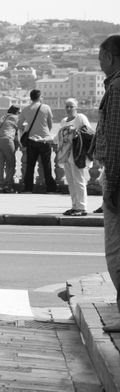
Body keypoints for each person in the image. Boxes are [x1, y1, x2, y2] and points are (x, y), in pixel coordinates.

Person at [91, 35, 120, 332]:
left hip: (117, 178)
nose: (99, 63)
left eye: (100, 58)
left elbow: (113, 142)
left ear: (110, 57)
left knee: (115, 252)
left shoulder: (116, 88)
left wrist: (110, 186)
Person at [54, 98, 92, 216]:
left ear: (76, 107)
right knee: (70, 181)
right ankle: (75, 206)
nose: (69, 109)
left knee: (79, 180)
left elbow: (89, 133)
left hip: (77, 154)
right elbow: (58, 137)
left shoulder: (81, 118)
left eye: (71, 106)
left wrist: (76, 133)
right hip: (66, 155)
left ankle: (82, 207)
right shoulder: (64, 121)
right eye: (67, 106)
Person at [18, 89, 56, 193]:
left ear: (30, 98)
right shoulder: (46, 107)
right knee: (47, 166)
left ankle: (28, 188)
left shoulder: (25, 109)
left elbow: (19, 125)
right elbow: (50, 124)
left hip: (31, 140)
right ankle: (50, 189)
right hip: (44, 140)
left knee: (30, 166)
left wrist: (27, 127)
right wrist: (44, 132)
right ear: (40, 97)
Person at [0, 105, 20, 193]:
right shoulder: (15, 118)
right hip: (7, 141)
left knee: (0, 165)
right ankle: (8, 186)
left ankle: (0, 186)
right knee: (11, 164)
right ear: (16, 112)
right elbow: (19, 132)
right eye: (19, 112)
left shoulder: (3, 117)